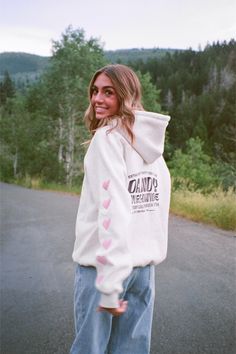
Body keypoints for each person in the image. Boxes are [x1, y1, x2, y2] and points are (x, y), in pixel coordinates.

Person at [70, 64, 171, 354]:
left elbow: (113, 210)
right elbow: (154, 207)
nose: (97, 99)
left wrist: (111, 285)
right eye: (94, 91)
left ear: (126, 96)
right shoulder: (150, 145)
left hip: (104, 272)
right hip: (142, 272)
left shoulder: (107, 140)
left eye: (108, 92)